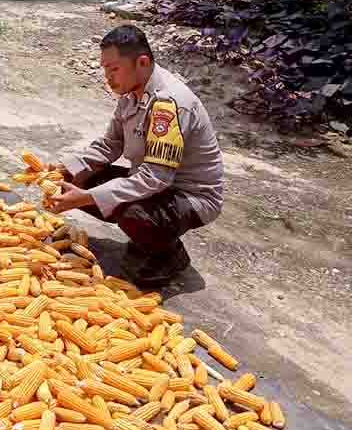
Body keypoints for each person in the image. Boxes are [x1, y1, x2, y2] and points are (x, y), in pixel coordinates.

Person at [48, 24, 224, 287]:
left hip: (189, 196)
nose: (108, 77)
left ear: (142, 62)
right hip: (154, 183)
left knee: (134, 214)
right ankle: (151, 234)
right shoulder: (131, 94)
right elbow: (110, 145)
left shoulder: (170, 104)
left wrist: (87, 198)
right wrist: (67, 168)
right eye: (105, 69)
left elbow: (156, 178)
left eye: (114, 69)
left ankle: (169, 254)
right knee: (79, 178)